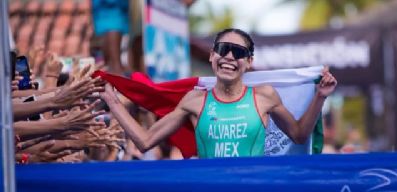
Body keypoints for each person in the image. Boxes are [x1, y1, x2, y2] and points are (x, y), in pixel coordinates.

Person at [100, 28, 337, 158]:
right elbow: (144, 141)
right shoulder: (194, 100)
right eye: (224, 49)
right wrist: (113, 103)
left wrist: (320, 96)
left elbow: (298, 135)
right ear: (213, 56)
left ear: (249, 61)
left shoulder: (264, 96)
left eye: (238, 52)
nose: (230, 57)